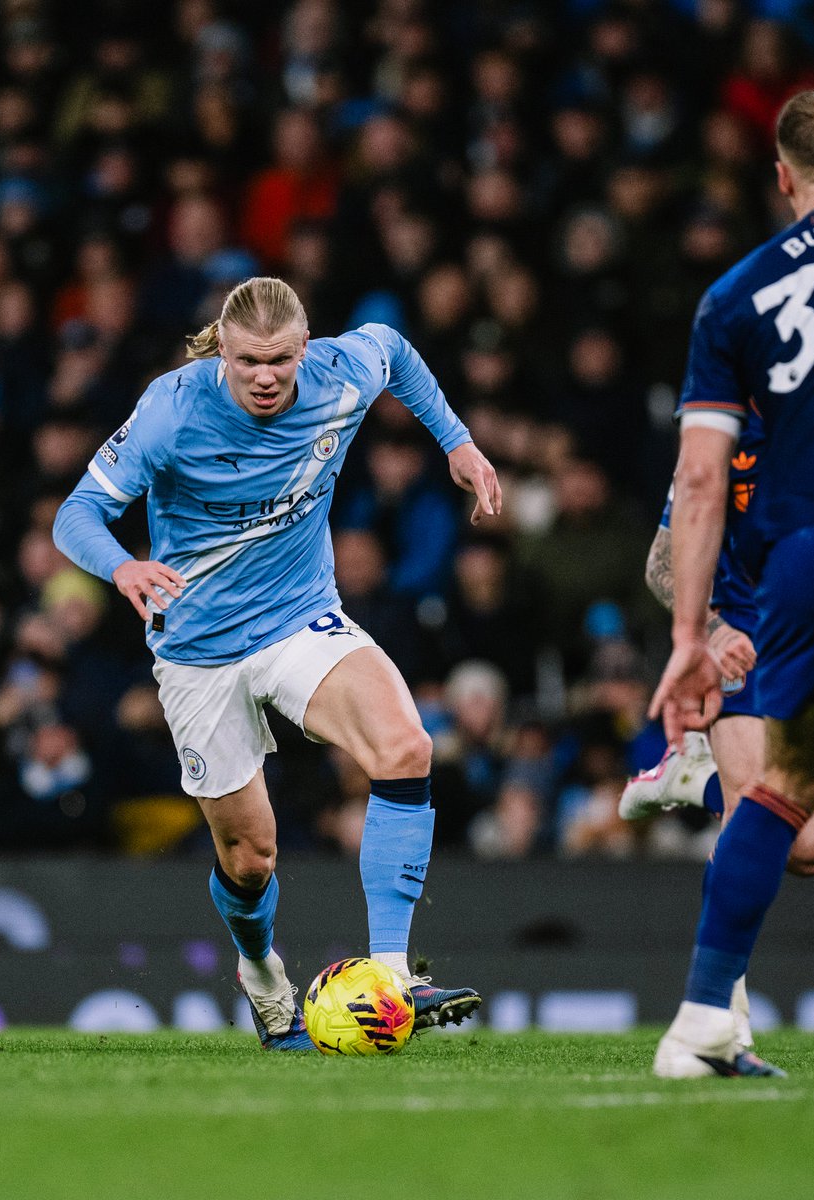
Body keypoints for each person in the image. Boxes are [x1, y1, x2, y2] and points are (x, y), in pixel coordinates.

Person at [53, 276, 497, 1049]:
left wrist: (456, 441)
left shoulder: (339, 372)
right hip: (198, 653)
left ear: (305, 348)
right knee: (252, 858)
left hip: (298, 620)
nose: (266, 376)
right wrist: (122, 566)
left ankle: (394, 975)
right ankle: (261, 973)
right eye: (250, 361)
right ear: (222, 351)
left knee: (406, 746)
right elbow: (77, 513)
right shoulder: (171, 410)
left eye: (282, 360)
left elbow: (394, 351)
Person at [648, 90, 814, 1077]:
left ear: (783, 179)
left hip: (805, 563)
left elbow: (700, 477)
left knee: (793, 804)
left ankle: (702, 1022)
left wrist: (682, 642)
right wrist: (706, 626)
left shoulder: (735, 296)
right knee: (776, 793)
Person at [619, 408, 814, 1062]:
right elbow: (661, 563)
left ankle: (697, 779)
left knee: (811, 847)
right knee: (758, 803)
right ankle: (717, 1020)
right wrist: (712, 629)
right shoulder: (722, 435)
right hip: (748, 638)